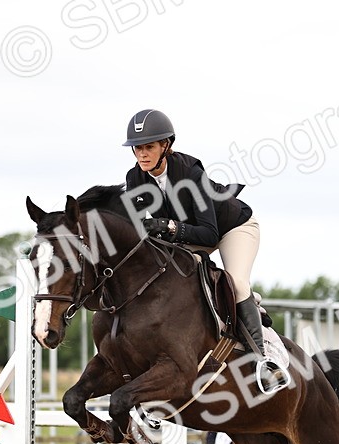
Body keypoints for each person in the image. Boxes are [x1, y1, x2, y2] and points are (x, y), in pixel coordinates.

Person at [120, 109, 282, 385]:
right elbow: (134, 228)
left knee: (237, 283)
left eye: (149, 147)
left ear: (166, 146)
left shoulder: (190, 172)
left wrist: (170, 228)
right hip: (191, 234)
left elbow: (209, 235)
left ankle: (263, 361)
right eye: (137, 149)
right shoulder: (136, 178)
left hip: (233, 228)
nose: (142, 155)